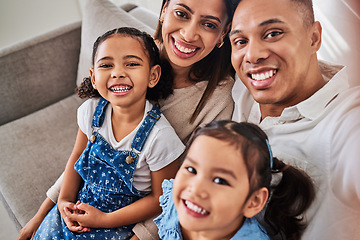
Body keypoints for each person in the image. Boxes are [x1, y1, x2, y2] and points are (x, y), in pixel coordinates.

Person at [18, 0, 238, 239]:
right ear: (164, 10)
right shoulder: (131, 51)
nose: (188, 33)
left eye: (208, 24)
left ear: (223, 32)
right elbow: (84, 156)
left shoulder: (219, 98)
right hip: (80, 208)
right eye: (181, 13)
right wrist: (42, 215)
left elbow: (176, 190)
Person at [31, 27, 184, 239]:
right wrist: (64, 200)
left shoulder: (160, 137)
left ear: (153, 75)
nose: (118, 72)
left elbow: (160, 199)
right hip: (79, 205)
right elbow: (77, 156)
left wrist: (104, 220)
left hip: (118, 222)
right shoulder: (91, 111)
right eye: (106, 65)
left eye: (131, 64)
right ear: (93, 77)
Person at [229, 0, 360, 239]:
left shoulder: (347, 121)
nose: (253, 55)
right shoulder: (239, 91)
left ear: (314, 38)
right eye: (240, 41)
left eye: (273, 33)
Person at [154, 120, 315, 240]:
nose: (195, 189)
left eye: (220, 181)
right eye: (191, 170)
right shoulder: (179, 204)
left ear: (253, 201)